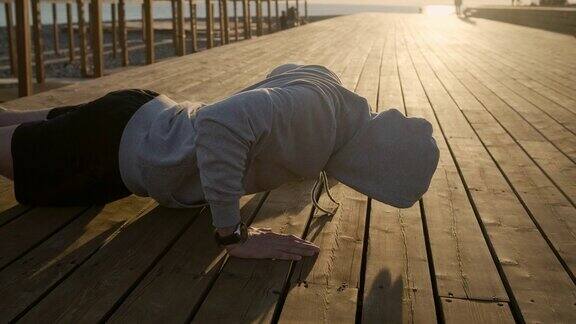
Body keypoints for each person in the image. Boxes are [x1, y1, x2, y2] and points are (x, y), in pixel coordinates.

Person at [0, 64, 439, 261]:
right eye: (372, 185)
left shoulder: (329, 89)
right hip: (117, 151)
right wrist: (233, 235)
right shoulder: (319, 120)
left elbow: (283, 76)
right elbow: (221, 122)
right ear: (372, 162)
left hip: (141, 114)